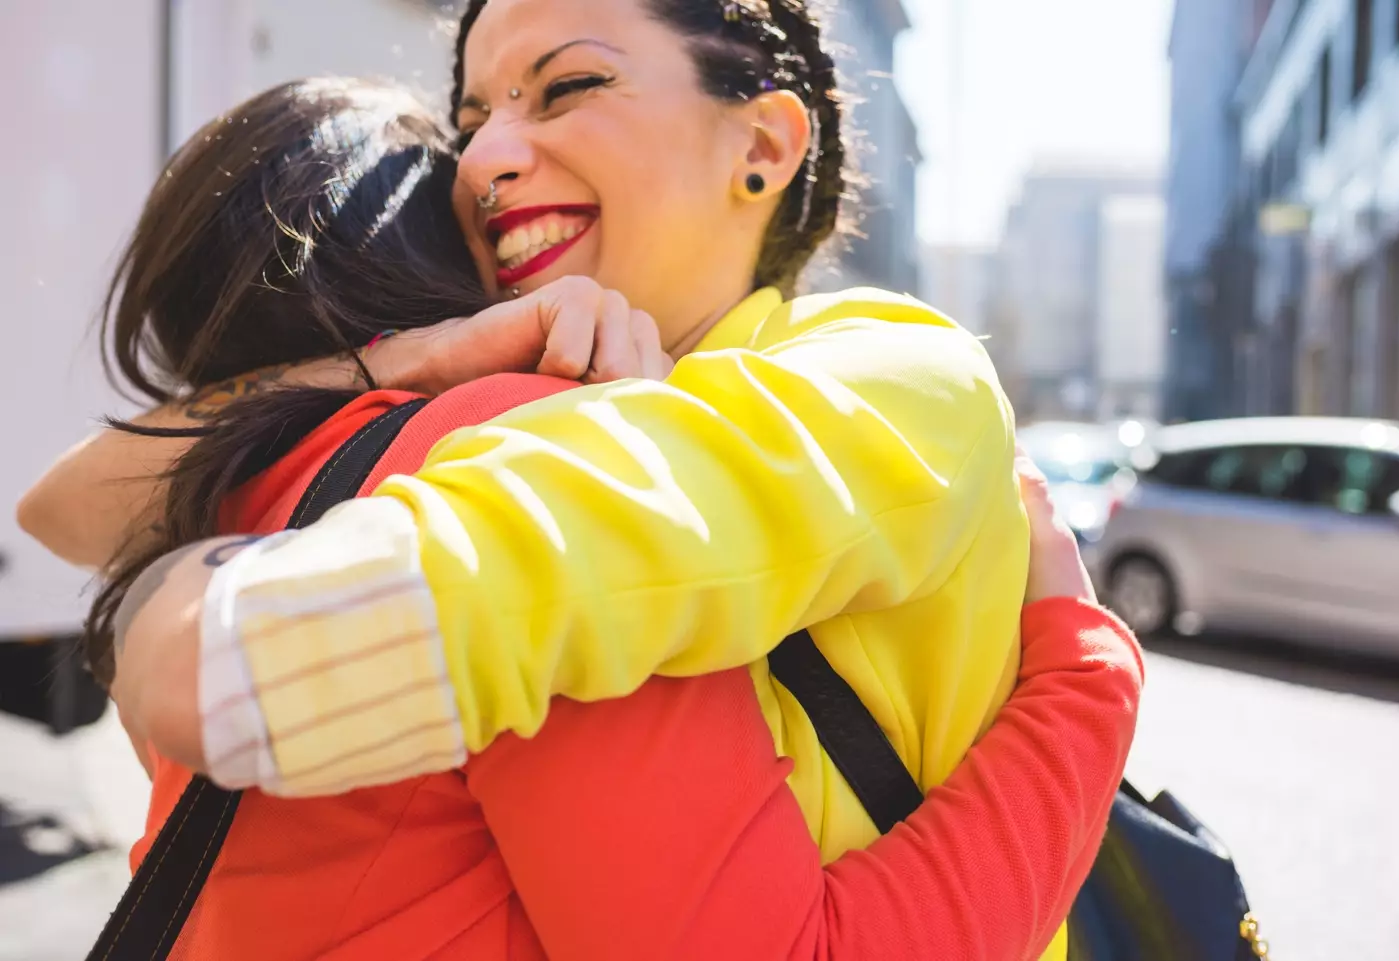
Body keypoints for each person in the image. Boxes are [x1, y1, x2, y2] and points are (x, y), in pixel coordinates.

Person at [23, 2, 1139, 956]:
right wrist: (409, 357)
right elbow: (64, 508)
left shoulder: (889, 371)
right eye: (473, 118)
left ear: (762, 142)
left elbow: (258, 655)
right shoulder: (521, 405)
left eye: (568, 87)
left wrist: (1091, 682)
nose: (481, 160)